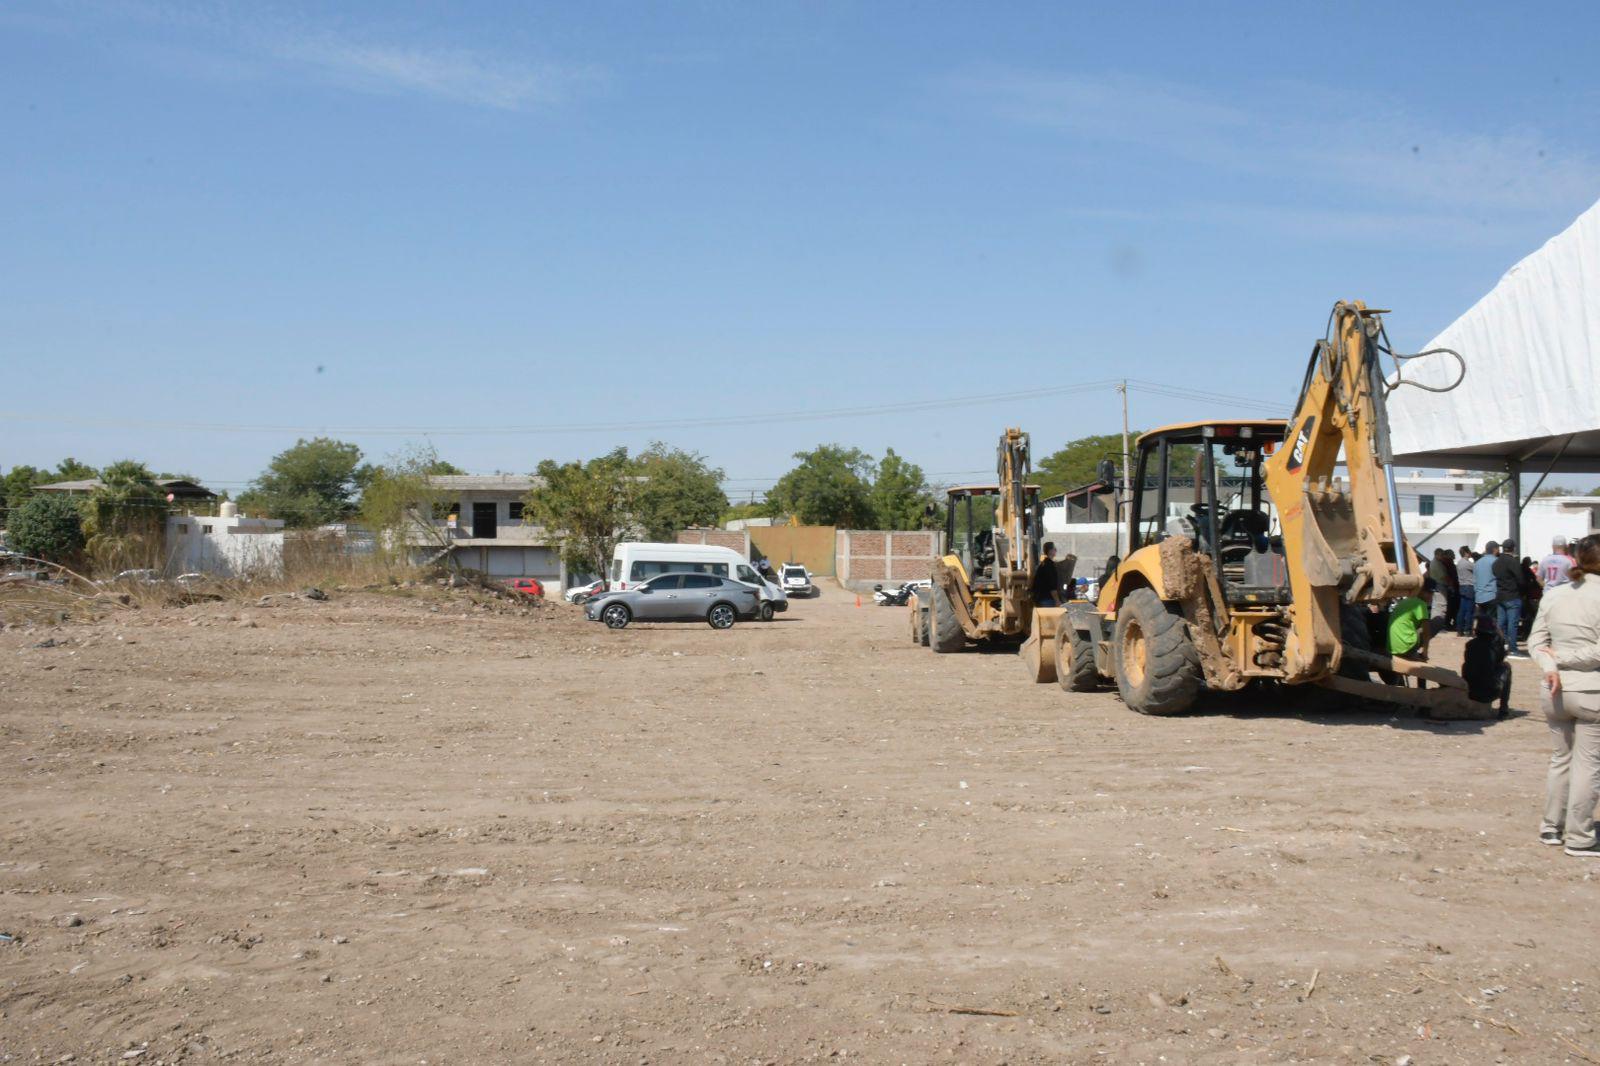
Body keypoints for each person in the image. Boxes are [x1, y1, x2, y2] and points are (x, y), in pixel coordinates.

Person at [1527, 534, 1600, 858]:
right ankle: (1580, 837)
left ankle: (1550, 827)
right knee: (1588, 765)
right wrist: (1565, 659)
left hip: (1553, 690)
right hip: (1590, 690)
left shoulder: (1554, 596)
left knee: (1561, 759)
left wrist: (1551, 663)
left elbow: (1535, 643)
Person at [1462, 613, 1512, 717]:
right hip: (1488, 691)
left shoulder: (1470, 645)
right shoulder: (1495, 647)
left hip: (1470, 690)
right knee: (1506, 667)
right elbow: (1499, 662)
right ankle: (1504, 708)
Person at [1492, 538, 1524, 655]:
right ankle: (1513, 648)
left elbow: (1495, 574)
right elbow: (1520, 579)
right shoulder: (1513, 561)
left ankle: (1500, 645)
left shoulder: (1497, 562)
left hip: (1500, 595)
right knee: (1512, 623)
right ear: (1513, 548)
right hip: (1512, 595)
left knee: (1501, 623)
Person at [1475, 542, 1500, 643]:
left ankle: (1481, 640)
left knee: (1481, 620)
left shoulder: (1478, 562)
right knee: (1492, 621)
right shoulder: (1496, 561)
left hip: (1479, 596)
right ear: (1495, 549)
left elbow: (1475, 580)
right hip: (1491, 595)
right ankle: (1491, 641)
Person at [1031, 542, 1063, 607]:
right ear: (1050, 551)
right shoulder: (1049, 566)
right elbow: (1052, 585)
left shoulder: (1044, 564)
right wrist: (1057, 600)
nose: (1056, 550)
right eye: (1054, 548)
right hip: (1047, 600)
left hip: (1042, 598)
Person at [1427, 548, 1452, 632]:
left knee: (1437, 606)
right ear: (1437, 554)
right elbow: (1444, 576)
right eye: (1441, 555)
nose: (1443, 556)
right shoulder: (1437, 564)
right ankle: (1438, 627)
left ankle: (1437, 626)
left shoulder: (1435, 563)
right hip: (1440, 585)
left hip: (1437, 585)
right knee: (1440, 606)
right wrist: (1450, 584)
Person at [1455, 546, 1478, 636]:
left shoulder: (1459, 563)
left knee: (1462, 609)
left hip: (1462, 586)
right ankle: (1468, 630)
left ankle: (1459, 630)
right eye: (1469, 551)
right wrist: (1475, 557)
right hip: (1469, 587)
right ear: (1466, 553)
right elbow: (1477, 568)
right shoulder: (1467, 563)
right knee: (1470, 610)